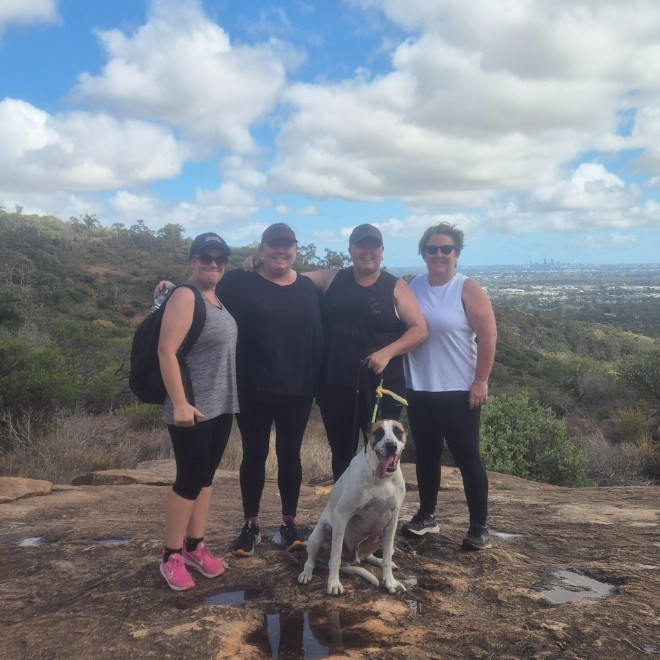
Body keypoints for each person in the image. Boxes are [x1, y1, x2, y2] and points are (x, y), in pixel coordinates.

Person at [244, 223, 428, 481]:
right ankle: (344, 503)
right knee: (341, 452)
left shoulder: (395, 286)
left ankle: (381, 504)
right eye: (361, 245)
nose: (367, 251)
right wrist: (259, 263)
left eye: (373, 246)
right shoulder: (332, 277)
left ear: (382, 251)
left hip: (382, 386)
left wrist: (388, 352)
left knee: (384, 450)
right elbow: (287, 277)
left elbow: (419, 329)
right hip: (335, 384)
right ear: (350, 250)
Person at [216, 223, 324, 557]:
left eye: (287, 245)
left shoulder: (307, 287)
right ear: (261, 249)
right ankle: (250, 525)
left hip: (298, 387)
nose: (281, 250)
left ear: (296, 250)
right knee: (254, 454)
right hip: (253, 385)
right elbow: (203, 290)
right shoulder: (240, 281)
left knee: (290, 455)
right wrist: (171, 288)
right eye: (274, 245)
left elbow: (344, 279)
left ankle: (289, 523)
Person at [401, 222, 497, 550]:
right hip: (419, 387)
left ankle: (479, 527)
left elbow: (488, 336)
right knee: (426, 455)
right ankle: (426, 516)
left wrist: (480, 381)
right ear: (423, 253)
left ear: (457, 253)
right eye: (432, 249)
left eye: (446, 249)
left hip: (458, 389)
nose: (439, 254)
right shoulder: (414, 286)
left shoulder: (466, 288)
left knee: (467, 457)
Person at [158, 232, 239, 590]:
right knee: (189, 480)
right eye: (206, 257)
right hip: (190, 406)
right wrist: (179, 402)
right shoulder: (186, 295)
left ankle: (195, 547)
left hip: (219, 405)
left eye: (220, 258)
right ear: (193, 260)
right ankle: (171, 556)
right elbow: (166, 351)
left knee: (206, 478)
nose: (213, 263)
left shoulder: (214, 298)